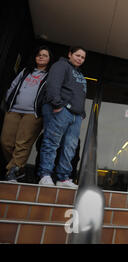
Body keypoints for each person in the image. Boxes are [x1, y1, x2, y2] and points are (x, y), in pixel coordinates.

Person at [37, 46, 87, 188]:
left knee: (70, 147)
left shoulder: (80, 74)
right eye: (77, 55)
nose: (80, 59)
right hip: (61, 110)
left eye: (83, 57)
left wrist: (82, 113)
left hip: (76, 115)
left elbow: (79, 95)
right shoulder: (61, 65)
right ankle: (45, 175)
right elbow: (53, 85)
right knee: (52, 142)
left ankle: (63, 178)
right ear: (70, 54)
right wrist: (57, 104)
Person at [1, 46, 53, 182]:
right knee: (6, 142)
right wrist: (8, 100)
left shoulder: (50, 76)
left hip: (32, 114)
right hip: (14, 110)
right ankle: (19, 168)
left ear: (49, 59)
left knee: (22, 144)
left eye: (45, 55)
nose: (41, 57)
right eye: (39, 55)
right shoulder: (25, 72)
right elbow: (13, 86)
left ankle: (12, 171)